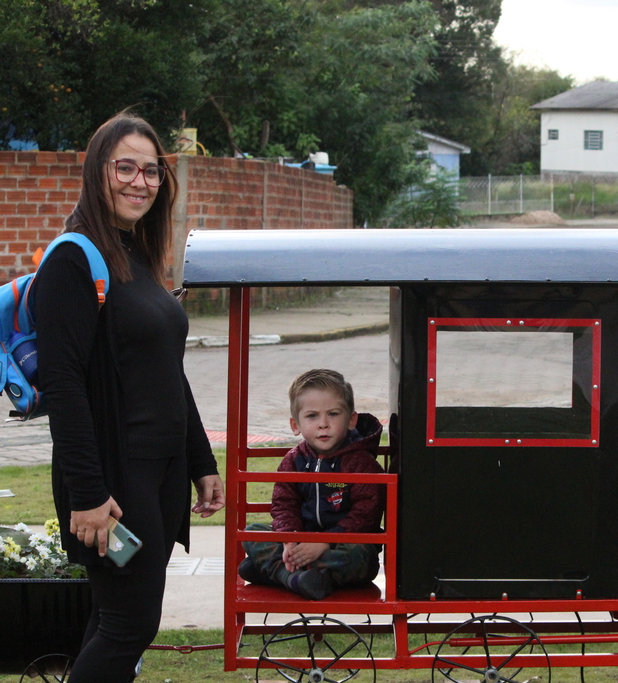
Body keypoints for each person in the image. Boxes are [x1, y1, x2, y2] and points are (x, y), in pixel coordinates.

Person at [34, 112, 225, 682]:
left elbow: (168, 371)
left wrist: (200, 461)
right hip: (115, 482)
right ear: (98, 172)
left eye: (151, 171)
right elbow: (63, 387)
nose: (140, 181)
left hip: (160, 475)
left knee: (114, 619)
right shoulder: (74, 258)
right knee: (129, 625)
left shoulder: (135, 255)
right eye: (126, 168)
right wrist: (89, 495)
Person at [238, 369, 384, 599]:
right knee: (252, 533)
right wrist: (290, 540)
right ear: (295, 424)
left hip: (343, 546)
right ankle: (297, 576)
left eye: (333, 414)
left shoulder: (361, 463)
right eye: (312, 416)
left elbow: (366, 515)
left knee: (358, 555)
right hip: (300, 542)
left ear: (351, 420)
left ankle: (275, 571)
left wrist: (324, 541)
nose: (323, 424)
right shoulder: (294, 460)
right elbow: (283, 505)